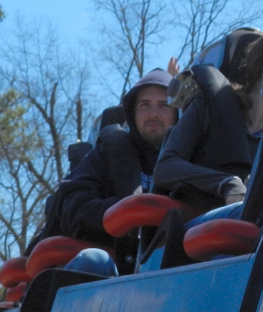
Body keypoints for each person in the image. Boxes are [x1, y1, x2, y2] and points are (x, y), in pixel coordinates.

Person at [153, 30, 263, 209]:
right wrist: (225, 183)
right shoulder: (210, 104)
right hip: (195, 223)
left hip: (255, 227)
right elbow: (165, 167)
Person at [58, 68, 177, 271]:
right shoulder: (110, 152)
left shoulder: (193, 155)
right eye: (144, 105)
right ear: (132, 112)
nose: (153, 114)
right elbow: (71, 203)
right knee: (92, 261)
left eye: (164, 105)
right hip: (116, 271)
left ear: (177, 112)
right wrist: (121, 213)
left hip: (175, 269)